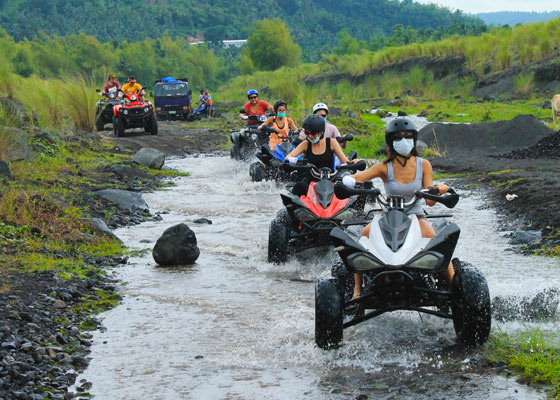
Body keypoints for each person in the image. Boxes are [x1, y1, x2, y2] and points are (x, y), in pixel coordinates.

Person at [341, 117, 452, 299]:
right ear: (391, 141)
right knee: (363, 237)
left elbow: (430, 202)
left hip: (416, 216)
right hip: (388, 217)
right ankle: (357, 290)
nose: (403, 140)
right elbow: (362, 176)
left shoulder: (423, 165)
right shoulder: (385, 166)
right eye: (398, 137)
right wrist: (347, 180)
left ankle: (456, 286)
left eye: (408, 136)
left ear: (414, 139)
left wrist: (439, 190)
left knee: (436, 240)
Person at [286, 114, 354, 196]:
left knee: (344, 190)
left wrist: (355, 163)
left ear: (321, 132)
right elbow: (288, 157)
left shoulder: (332, 142)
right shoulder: (305, 144)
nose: (310, 136)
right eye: (307, 133)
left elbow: (345, 161)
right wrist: (298, 161)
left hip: (330, 181)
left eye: (313, 133)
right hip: (310, 182)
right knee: (300, 186)